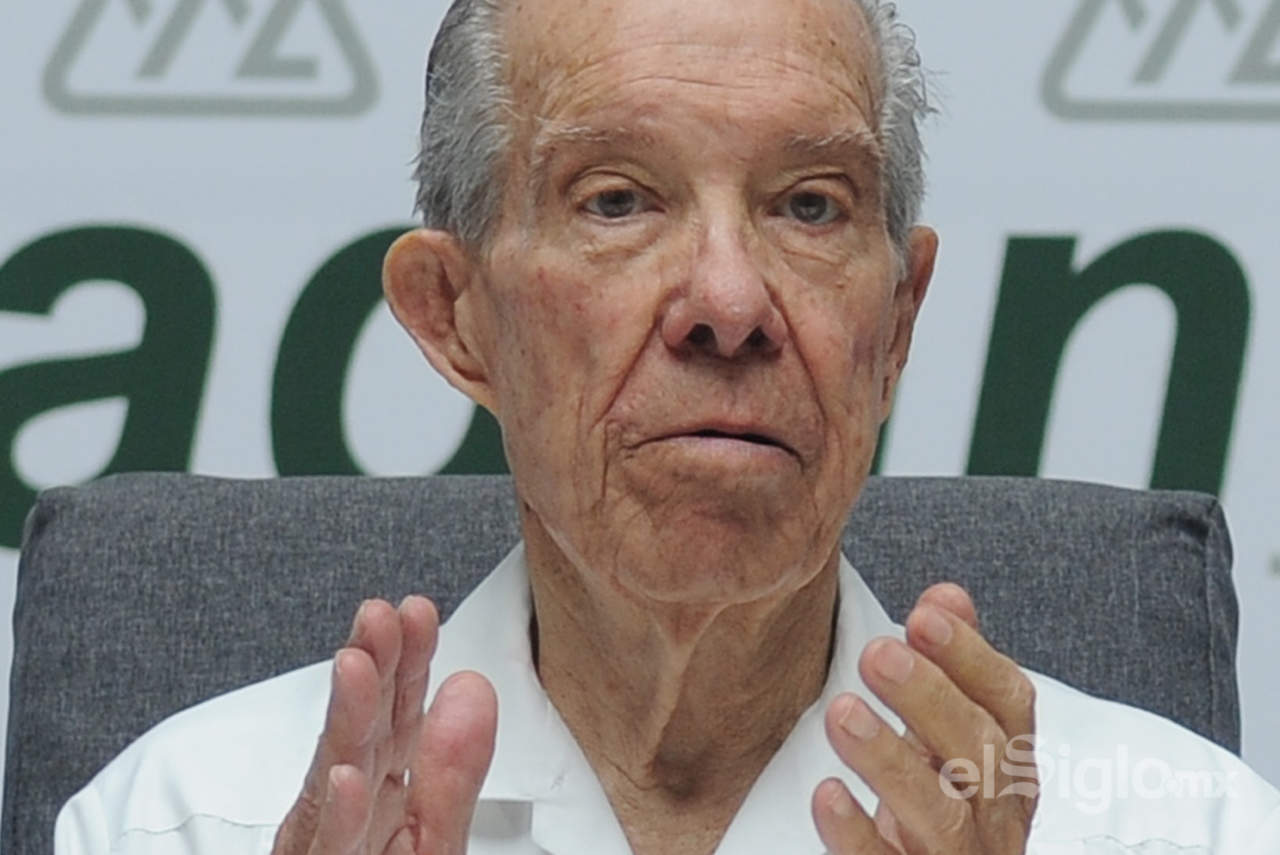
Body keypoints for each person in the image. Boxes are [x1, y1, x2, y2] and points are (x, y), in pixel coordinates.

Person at [54, 0, 1280, 852]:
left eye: (809, 206)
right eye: (616, 200)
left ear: (896, 323)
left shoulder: (1178, 828)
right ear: (455, 317)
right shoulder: (183, 820)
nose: (729, 303)